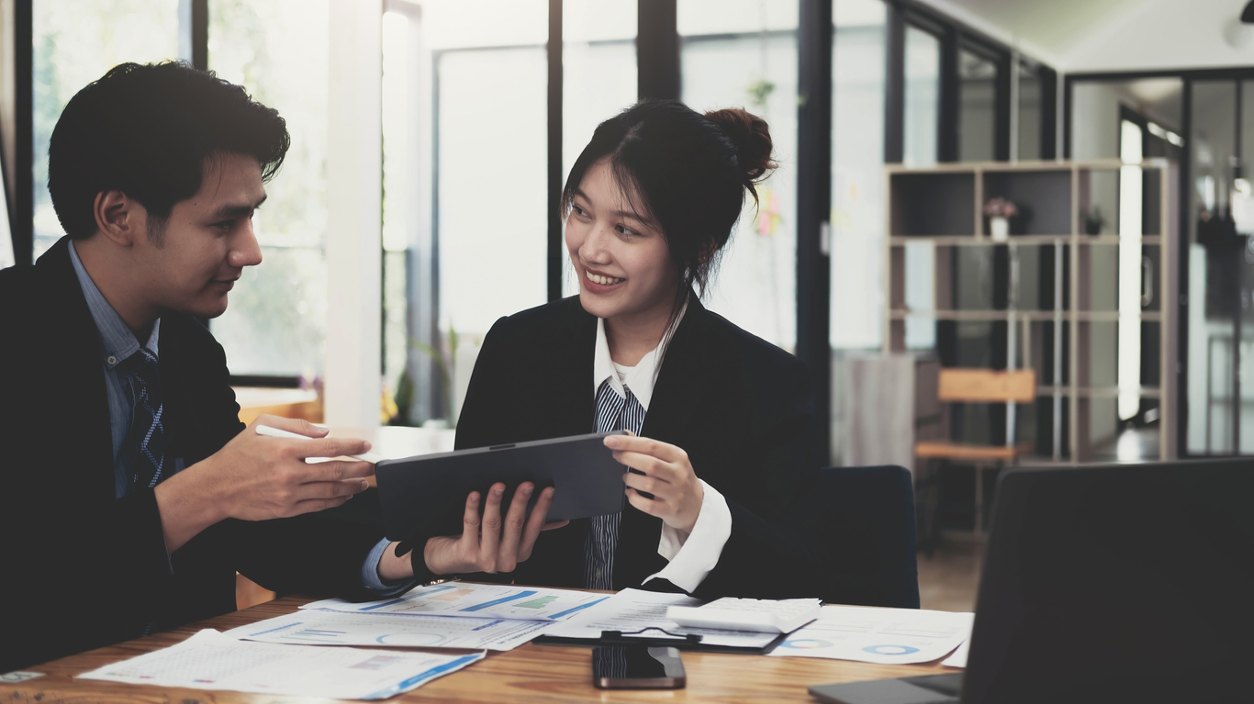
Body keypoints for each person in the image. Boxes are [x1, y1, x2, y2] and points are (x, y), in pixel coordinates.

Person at [0, 61, 547, 671]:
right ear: (117, 216)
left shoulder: (187, 349)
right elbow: (25, 580)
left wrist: (429, 555)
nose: (252, 251)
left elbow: (260, 534)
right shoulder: (14, 338)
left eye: (252, 217)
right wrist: (206, 491)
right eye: (223, 223)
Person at [437, 100, 823, 598]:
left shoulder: (767, 383)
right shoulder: (515, 350)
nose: (591, 249)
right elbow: (458, 531)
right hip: (530, 658)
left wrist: (699, 510)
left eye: (626, 230)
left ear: (699, 245)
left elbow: (802, 575)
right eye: (580, 211)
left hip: (688, 665)